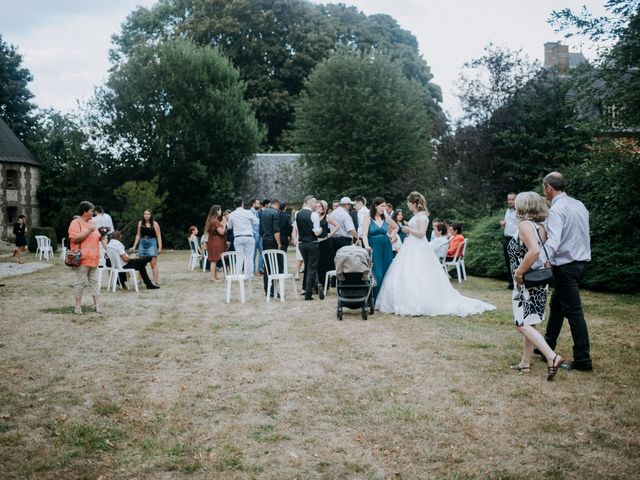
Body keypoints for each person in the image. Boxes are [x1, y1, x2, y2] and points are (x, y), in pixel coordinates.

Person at [376, 192, 495, 316]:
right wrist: (409, 231)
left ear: (415, 203)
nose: (408, 205)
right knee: (406, 271)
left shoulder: (423, 216)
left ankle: (421, 302)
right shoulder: (416, 215)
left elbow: (421, 234)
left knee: (418, 272)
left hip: (418, 246)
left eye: (409, 203)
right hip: (411, 244)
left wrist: (408, 229)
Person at [536, 172, 593, 372]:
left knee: (574, 312)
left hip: (565, 266)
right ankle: (546, 346)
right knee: (557, 304)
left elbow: (554, 241)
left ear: (549, 187)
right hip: (581, 263)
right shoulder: (579, 205)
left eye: (544, 188)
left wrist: (540, 261)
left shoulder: (557, 210)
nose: (545, 192)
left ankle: (583, 361)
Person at [508, 192, 563, 380]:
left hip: (526, 281)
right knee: (530, 321)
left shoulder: (524, 225)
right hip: (538, 280)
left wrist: (518, 273)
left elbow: (535, 251)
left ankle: (551, 356)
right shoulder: (540, 226)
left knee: (521, 323)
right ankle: (525, 363)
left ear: (523, 206)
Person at [68, 201, 106, 314]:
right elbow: (74, 238)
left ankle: (97, 304)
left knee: (94, 282)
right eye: (91, 211)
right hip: (82, 258)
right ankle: (78, 306)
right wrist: (88, 231)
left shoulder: (92, 223)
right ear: (85, 212)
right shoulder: (75, 223)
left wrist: (103, 236)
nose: (93, 213)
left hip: (94, 258)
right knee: (80, 282)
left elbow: (98, 237)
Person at [362, 197, 397, 300]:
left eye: (385, 206)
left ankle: (385, 299)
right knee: (377, 274)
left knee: (387, 272)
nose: (384, 208)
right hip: (374, 247)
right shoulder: (368, 217)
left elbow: (396, 227)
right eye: (382, 206)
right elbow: (364, 235)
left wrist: (391, 236)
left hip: (386, 246)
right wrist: (367, 246)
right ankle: (374, 298)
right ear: (376, 206)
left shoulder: (385, 217)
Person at [296, 196, 323, 300]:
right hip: (312, 243)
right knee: (311, 268)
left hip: (302, 243)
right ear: (311, 203)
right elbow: (316, 231)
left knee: (308, 267)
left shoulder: (298, 214)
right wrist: (320, 229)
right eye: (315, 203)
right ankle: (308, 294)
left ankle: (311, 287)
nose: (315, 205)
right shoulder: (314, 214)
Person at [227, 197, 259, 279]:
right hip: (249, 237)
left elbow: (229, 226)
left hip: (238, 237)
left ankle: (238, 275)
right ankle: (250, 276)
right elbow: (256, 222)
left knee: (239, 257)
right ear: (242, 203)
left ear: (235, 205)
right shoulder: (248, 212)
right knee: (249, 257)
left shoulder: (232, 214)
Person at [132, 209, 162, 285]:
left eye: (148, 214)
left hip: (152, 243)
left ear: (151, 215)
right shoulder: (140, 223)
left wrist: (160, 247)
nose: (146, 215)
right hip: (142, 243)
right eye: (145, 214)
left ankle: (155, 281)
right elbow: (138, 234)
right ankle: (139, 281)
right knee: (140, 263)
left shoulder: (155, 224)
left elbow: (158, 236)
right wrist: (134, 245)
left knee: (153, 264)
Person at [315, 200, 338, 296]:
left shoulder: (327, 217)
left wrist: (330, 234)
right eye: (316, 206)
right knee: (317, 264)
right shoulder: (313, 216)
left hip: (325, 242)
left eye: (319, 206)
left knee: (324, 265)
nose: (317, 208)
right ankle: (317, 285)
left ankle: (325, 285)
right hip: (316, 242)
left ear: (323, 207)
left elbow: (337, 226)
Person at [260, 199, 282, 295]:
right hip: (272, 241)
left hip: (264, 240)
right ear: (277, 205)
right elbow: (276, 230)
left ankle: (267, 289)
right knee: (275, 266)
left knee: (267, 266)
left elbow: (260, 229)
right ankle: (274, 289)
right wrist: (279, 243)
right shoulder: (275, 213)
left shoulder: (263, 212)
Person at [330, 196, 358, 262]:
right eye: (350, 205)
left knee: (335, 260)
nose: (351, 206)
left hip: (333, 240)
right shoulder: (345, 215)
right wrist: (358, 237)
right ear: (347, 205)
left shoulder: (332, 213)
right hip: (344, 241)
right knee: (345, 261)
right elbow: (351, 230)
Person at [204, 205, 226, 282]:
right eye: (220, 210)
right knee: (214, 260)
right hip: (215, 242)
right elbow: (222, 232)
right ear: (216, 211)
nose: (221, 211)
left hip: (212, 241)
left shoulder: (212, 220)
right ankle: (212, 278)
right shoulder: (215, 221)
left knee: (214, 260)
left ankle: (215, 277)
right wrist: (224, 224)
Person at [500, 193, 518, 289]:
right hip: (506, 239)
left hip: (515, 239)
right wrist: (503, 223)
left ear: (516, 200)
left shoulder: (519, 211)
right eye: (509, 199)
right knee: (508, 261)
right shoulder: (507, 210)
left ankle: (517, 282)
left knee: (515, 261)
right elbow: (508, 223)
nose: (510, 201)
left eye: (512, 199)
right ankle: (511, 282)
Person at [250, 198, 263, 275]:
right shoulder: (250, 212)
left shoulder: (257, 212)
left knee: (263, 252)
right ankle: (254, 271)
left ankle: (260, 269)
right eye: (258, 203)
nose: (259, 205)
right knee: (253, 254)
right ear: (253, 204)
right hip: (254, 235)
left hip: (259, 235)